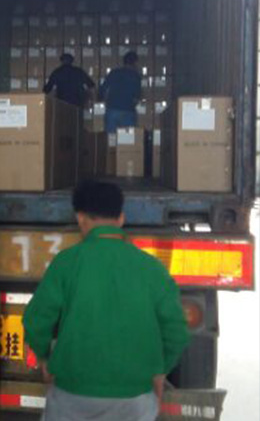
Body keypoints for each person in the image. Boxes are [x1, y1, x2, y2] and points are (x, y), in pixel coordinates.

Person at [22, 180, 190, 421]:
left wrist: (44, 359)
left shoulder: (66, 263)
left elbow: (36, 320)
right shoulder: (152, 268)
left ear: (80, 219)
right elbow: (176, 331)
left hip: (72, 395)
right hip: (135, 399)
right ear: (121, 219)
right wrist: (160, 371)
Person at [99, 50, 142, 132]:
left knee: (111, 137)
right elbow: (136, 97)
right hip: (128, 111)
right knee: (127, 138)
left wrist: (106, 101)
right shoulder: (136, 76)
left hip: (112, 109)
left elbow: (103, 90)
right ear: (135, 62)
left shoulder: (114, 73)